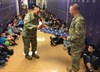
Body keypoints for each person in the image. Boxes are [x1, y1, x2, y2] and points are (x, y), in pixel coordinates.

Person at [66, 4, 86, 72]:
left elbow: (78, 35)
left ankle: (75, 70)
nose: (69, 11)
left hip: (77, 44)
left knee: (76, 58)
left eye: (70, 10)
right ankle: (73, 67)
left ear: (74, 11)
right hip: (74, 43)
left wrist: (70, 38)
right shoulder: (76, 18)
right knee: (73, 57)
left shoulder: (79, 20)